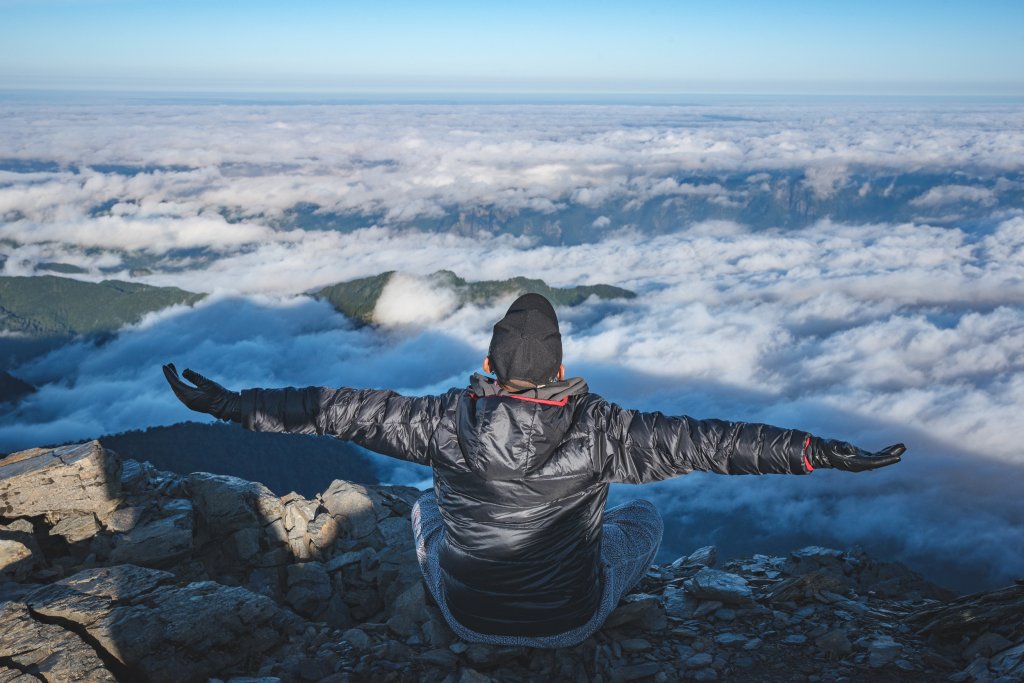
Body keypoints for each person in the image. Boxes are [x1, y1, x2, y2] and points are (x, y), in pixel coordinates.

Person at [163, 292, 904, 648]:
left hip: (466, 611)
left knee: (427, 504)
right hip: (569, 619)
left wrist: (234, 406)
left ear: (488, 366)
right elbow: (717, 441)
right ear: (560, 368)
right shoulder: (608, 432)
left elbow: (333, 408)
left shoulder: (439, 424)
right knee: (643, 516)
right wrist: (818, 450)